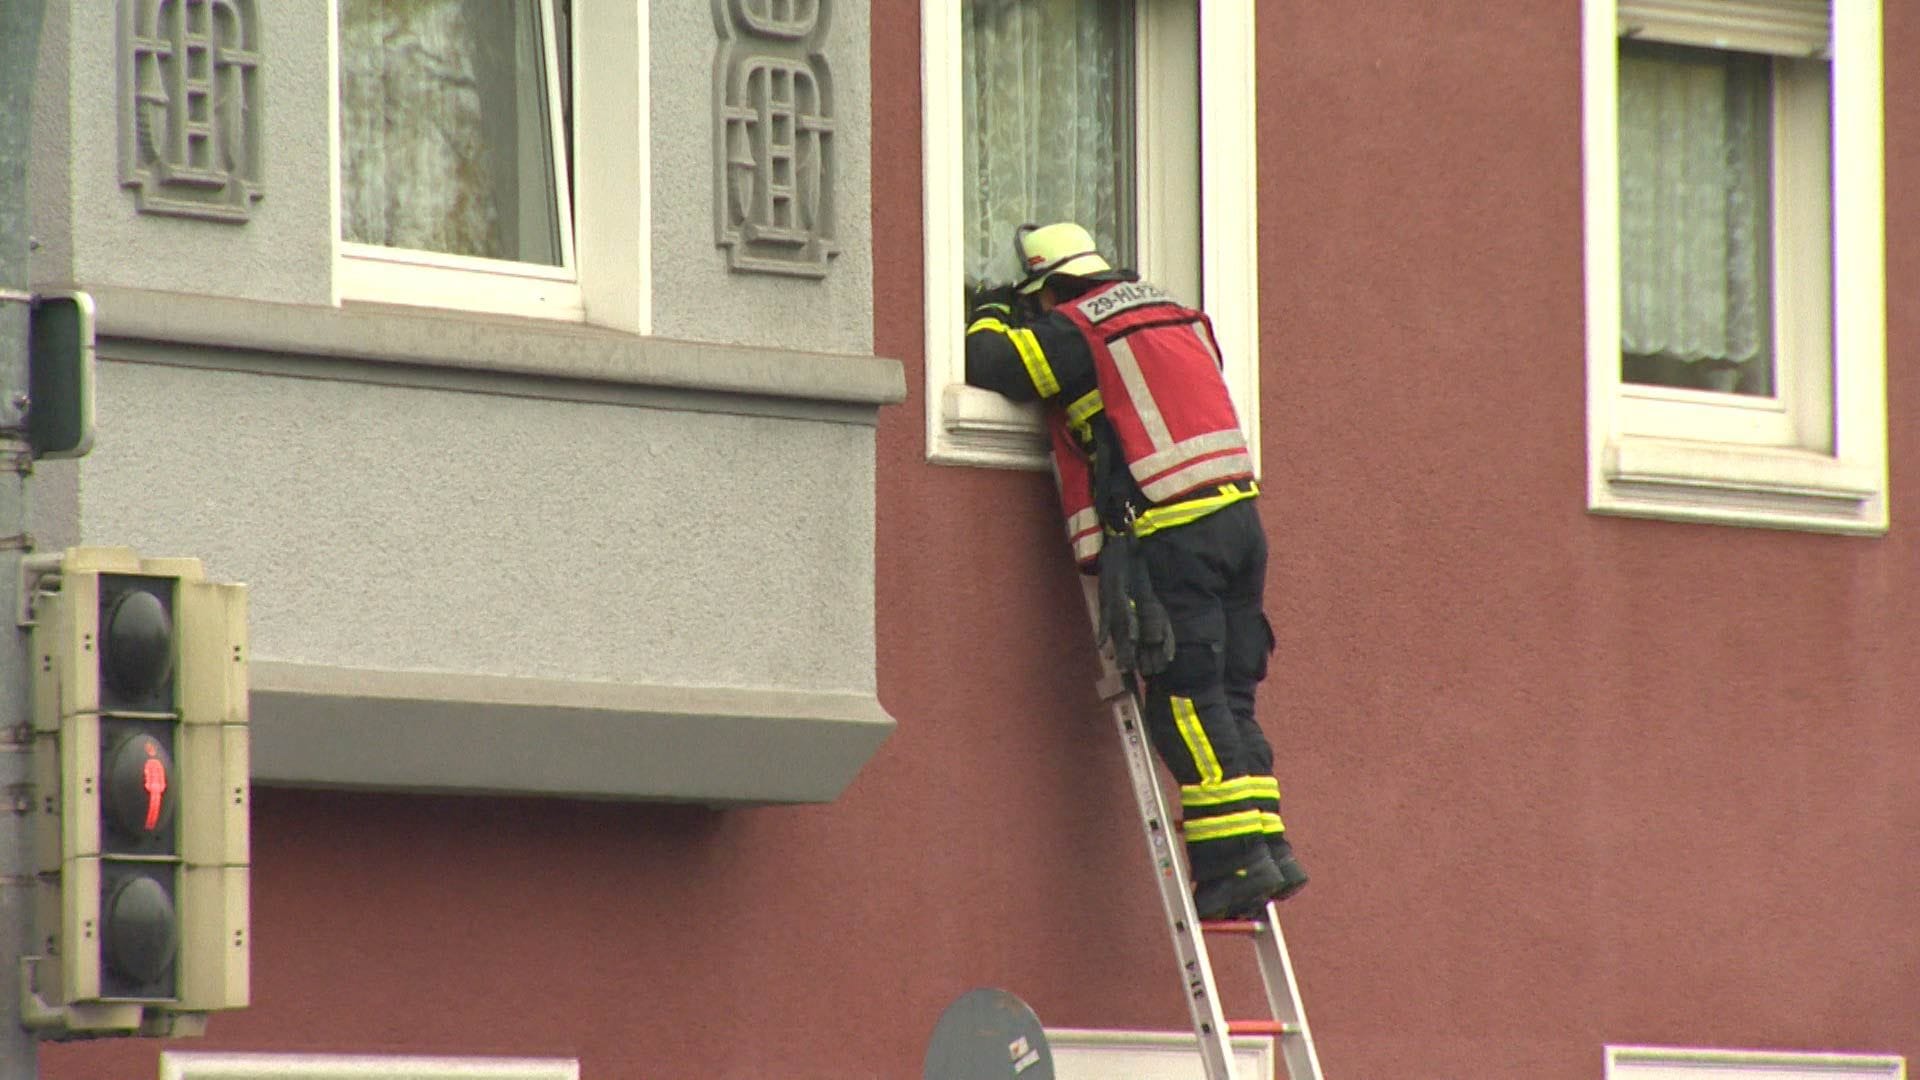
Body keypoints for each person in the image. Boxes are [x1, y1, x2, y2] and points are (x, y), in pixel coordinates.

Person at [964, 222, 1307, 919]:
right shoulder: (1174, 313)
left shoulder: (1078, 328)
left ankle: (1232, 866)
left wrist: (993, 307)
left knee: (1182, 697)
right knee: (1232, 694)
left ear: (1051, 288)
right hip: (1240, 524)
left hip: (1176, 534)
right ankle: (1267, 848)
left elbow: (993, 365)